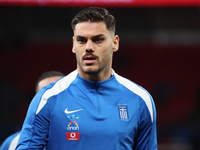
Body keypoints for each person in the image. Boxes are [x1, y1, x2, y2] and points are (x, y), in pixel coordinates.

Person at [16, 7, 157, 150]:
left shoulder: (140, 100)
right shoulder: (48, 99)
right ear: (73, 44)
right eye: (82, 40)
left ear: (115, 43)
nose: (89, 47)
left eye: (98, 40)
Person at [0, 71, 64, 150]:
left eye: (61, 96)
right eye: (45, 98)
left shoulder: (81, 137)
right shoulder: (12, 143)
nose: (53, 104)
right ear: (35, 102)